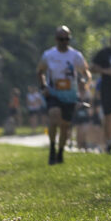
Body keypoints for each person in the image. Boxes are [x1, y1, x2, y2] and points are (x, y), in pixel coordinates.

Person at [36, 26, 92, 165]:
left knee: (65, 126)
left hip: (70, 95)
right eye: (61, 39)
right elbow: (40, 71)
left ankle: (60, 152)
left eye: (67, 39)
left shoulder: (76, 55)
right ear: (56, 39)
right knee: (54, 115)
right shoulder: (49, 55)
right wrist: (43, 86)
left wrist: (85, 82)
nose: (64, 42)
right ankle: (52, 148)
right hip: (53, 93)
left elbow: (86, 72)